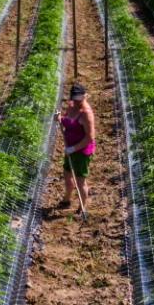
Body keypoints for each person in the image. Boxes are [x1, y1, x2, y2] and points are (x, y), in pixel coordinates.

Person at [56, 83, 96, 214]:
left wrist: (73, 149)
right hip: (70, 147)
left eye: (80, 99)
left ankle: (82, 207)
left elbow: (90, 137)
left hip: (81, 151)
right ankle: (66, 199)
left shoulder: (86, 114)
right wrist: (59, 118)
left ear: (85, 96)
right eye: (75, 99)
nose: (77, 102)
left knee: (80, 181)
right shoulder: (71, 105)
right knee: (67, 175)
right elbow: (66, 120)